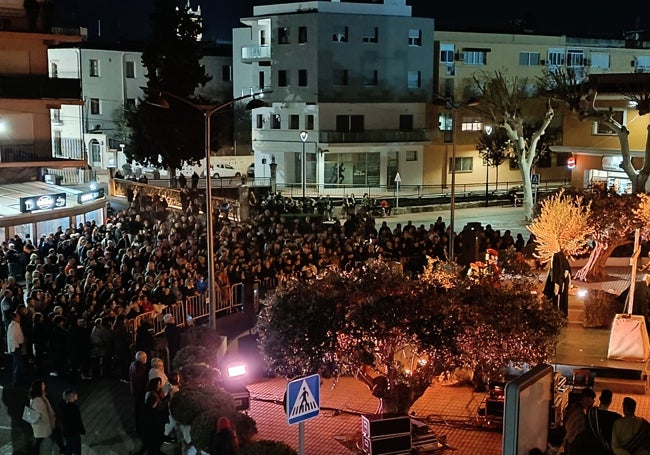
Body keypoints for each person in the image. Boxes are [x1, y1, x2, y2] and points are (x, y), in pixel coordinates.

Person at [28, 379, 63, 454]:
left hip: (44, 424)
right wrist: (52, 418)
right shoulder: (37, 400)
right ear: (39, 387)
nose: (44, 386)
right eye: (42, 385)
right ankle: (62, 448)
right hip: (43, 424)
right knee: (40, 440)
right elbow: (43, 413)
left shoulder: (39, 397)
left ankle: (62, 447)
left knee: (53, 435)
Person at [587, 388, 622, 454]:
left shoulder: (591, 412)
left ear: (600, 398)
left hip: (591, 449)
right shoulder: (615, 417)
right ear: (610, 401)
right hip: (606, 450)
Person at [140, 377, 169, 455]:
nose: (160, 385)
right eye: (159, 384)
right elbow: (160, 407)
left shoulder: (146, 408)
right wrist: (167, 399)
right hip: (152, 433)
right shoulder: (153, 396)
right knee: (154, 446)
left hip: (149, 433)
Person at [563, 387, 597, 454]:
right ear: (586, 398)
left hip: (569, 439)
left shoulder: (575, 406)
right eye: (592, 399)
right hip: (574, 442)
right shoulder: (580, 414)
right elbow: (581, 429)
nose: (593, 401)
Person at [59, 389, 86, 455]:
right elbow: (78, 420)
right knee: (77, 450)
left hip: (67, 431)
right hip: (74, 432)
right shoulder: (74, 407)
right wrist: (82, 430)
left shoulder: (63, 406)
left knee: (69, 448)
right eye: (75, 394)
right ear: (71, 396)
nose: (77, 395)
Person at [129, 351, 149, 437]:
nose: (146, 359)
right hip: (140, 393)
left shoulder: (132, 365)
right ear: (141, 359)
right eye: (145, 358)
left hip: (135, 392)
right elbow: (141, 383)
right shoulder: (140, 369)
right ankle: (140, 431)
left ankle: (139, 429)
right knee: (140, 412)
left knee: (137, 411)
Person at [7, 310, 25, 385]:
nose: (19, 318)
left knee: (16, 363)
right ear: (14, 318)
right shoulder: (13, 326)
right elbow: (12, 338)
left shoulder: (16, 325)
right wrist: (16, 346)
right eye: (18, 316)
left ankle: (17, 379)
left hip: (17, 347)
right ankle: (15, 380)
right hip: (15, 347)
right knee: (18, 364)